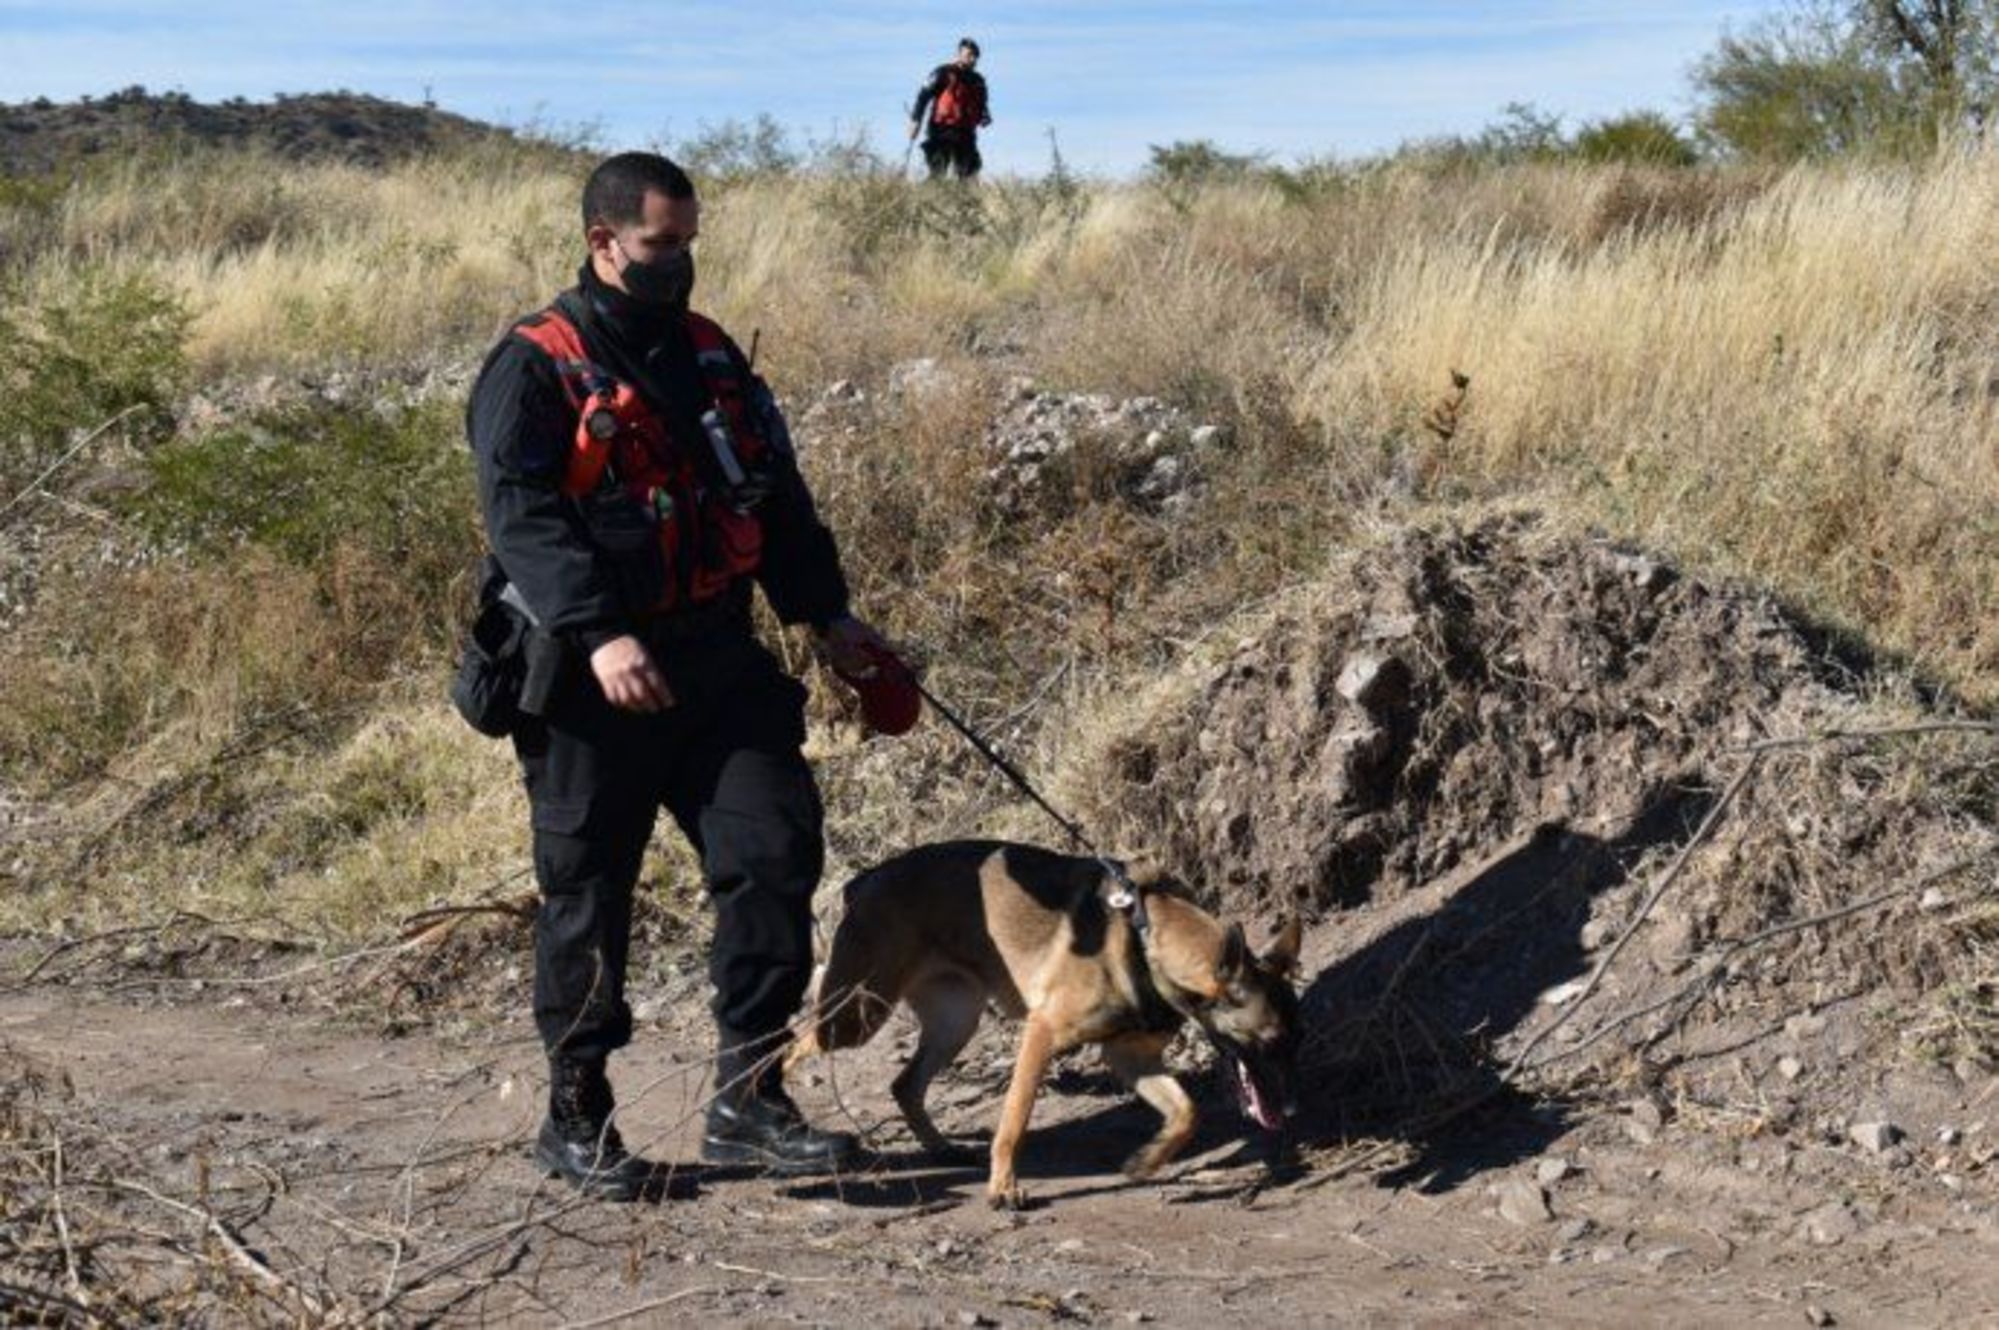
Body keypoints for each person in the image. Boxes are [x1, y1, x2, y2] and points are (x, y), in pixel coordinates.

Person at [465, 151, 901, 1201]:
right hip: (586, 679)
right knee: (588, 894)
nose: (681, 264)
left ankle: (749, 1099)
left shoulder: (712, 357)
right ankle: (576, 1114)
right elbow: (519, 515)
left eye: (690, 244)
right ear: (602, 241)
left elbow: (778, 501)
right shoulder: (533, 363)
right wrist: (601, 632)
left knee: (774, 853)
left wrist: (830, 619)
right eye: (662, 246)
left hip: (718, 660)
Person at [908, 37, 991, 180]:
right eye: (969, 55)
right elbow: (923, 96)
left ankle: (965, 202)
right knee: (938, 171)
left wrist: (984, 115)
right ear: (959, 55)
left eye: (975, 56)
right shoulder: (943, 72)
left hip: (966, 132)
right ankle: (927, 199)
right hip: (941, 129)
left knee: (970, 173)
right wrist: (916, 120)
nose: (972, 59)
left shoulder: (978, 81)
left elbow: (982, 104)